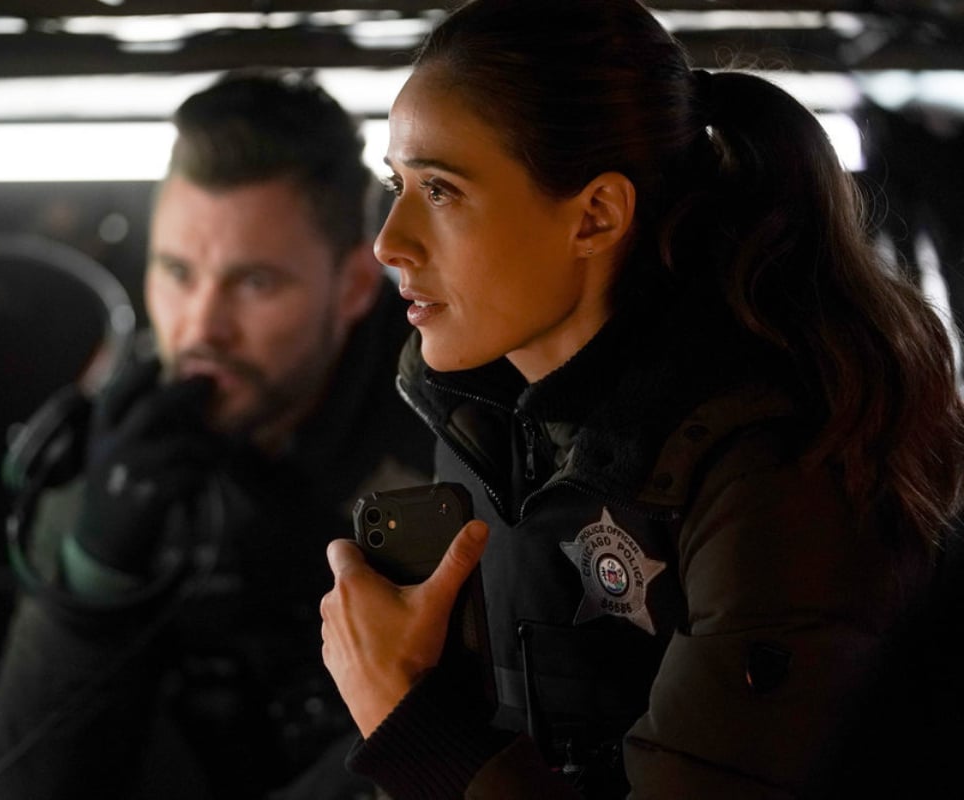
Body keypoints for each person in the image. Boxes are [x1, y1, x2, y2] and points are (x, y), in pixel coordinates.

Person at [318, 1, 964, 798]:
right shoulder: (482, 418)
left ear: (595, 215)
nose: (389, 240)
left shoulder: (777, 474)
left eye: (441, 191)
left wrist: (405, 719)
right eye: (398, 183)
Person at [0, 69, 434, 800]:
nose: (200, 327)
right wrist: (94, 577)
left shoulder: (443, 439)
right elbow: (11, 785)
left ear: (351, 286)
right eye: (177, 272)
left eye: (254, 284)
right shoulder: (125, 443)